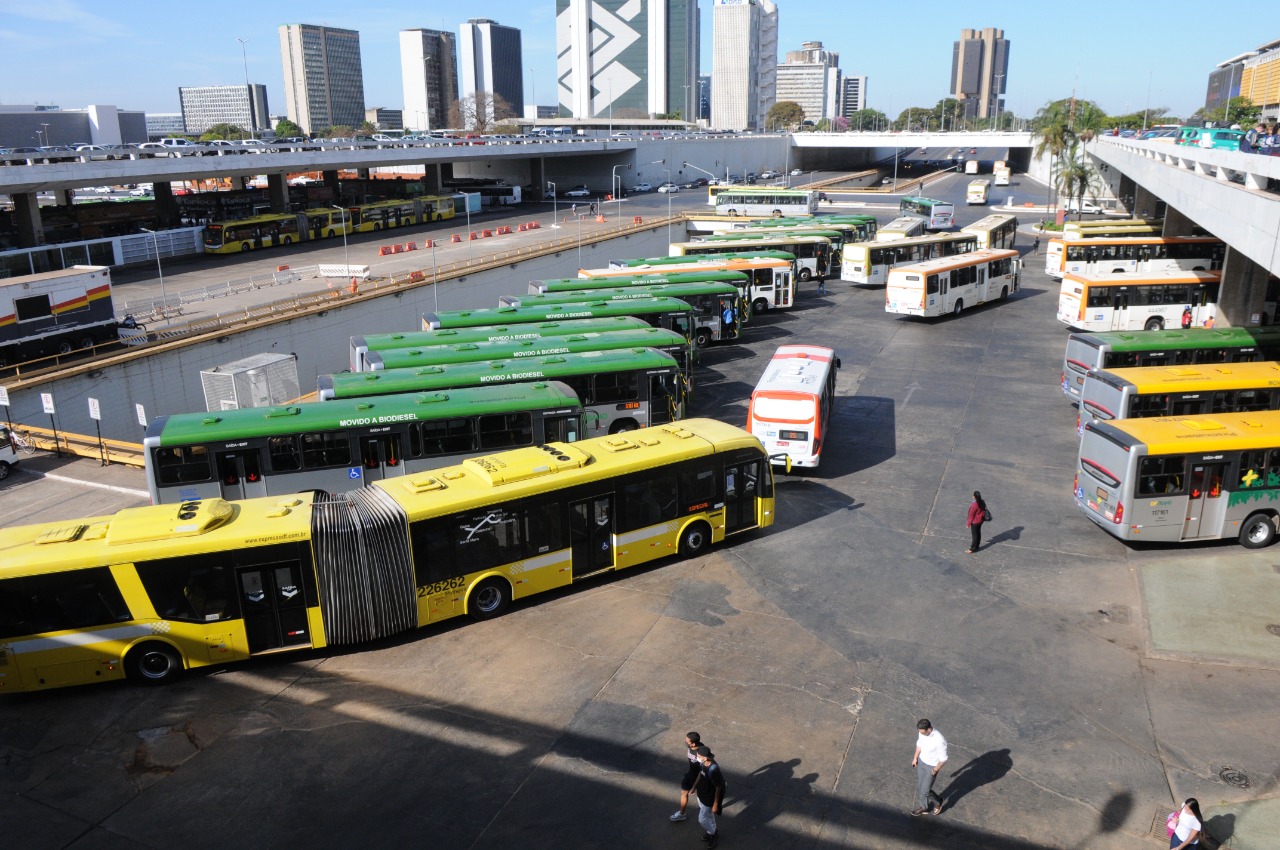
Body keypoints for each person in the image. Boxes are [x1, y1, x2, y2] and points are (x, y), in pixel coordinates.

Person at [911, 719, 948, 816]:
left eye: (922, 732)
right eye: (919, 732)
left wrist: (935, 770)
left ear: (928, 729)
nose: (921, 734)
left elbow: (943, 759)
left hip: (931, 767)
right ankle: (925, 807)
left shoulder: (939, 740)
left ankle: (938, 802)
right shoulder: (922, 733)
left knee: (925, 790)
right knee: (921, 786)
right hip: (922, 762)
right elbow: (919, 745)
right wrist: (915, 758)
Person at [691, 746, 726, 846]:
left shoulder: (714, 770)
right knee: (709, 815)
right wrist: (694, 787)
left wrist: (715, 804)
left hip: (709, 797)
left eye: (698, 755)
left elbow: (718, 787)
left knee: (702, 819)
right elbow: (700, 775)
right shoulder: (702, 763)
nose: (696, 756)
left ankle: (713, 833)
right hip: (701, 793)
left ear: (705, 757)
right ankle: (712, 830)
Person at [669, 732, 704, 823]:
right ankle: (682, 813)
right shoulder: (697, 746)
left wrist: (694, 787)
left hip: (696, 777)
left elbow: (701, 772)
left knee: (699, 799)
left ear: (693, 744)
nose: (685, 742)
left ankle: (682, 814)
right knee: (684, 792)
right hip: (691, 773)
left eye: (687, 741)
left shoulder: (700, 754)